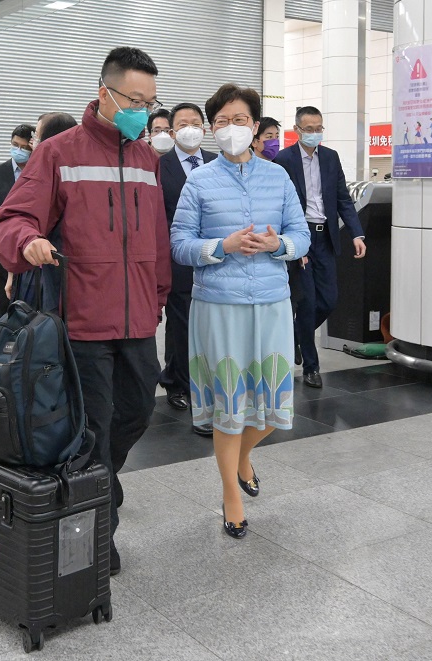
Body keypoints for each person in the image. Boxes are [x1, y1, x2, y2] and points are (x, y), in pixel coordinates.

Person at [0, 47, 171, 575]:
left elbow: (157, 240)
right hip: (82, 319)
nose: (143, 110)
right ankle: (96, 540)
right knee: (92, 423)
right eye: (134, 100)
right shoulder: (57, 153)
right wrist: (26, 242)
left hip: (138, 317)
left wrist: (158, 296)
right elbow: (12, 219)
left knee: (137, 410)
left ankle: (101, 482)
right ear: (104, 94)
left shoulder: (146, 159)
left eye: (150, 101)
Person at [171, 84, 310, 538]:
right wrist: (220, 246)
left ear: (256, 127)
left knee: (272, 410)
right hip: (220, 306)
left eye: (242, 120)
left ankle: (244, 456)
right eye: (224, 121)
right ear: (213, 128)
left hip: (271, 301)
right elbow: (178, 245)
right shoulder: (198, 181)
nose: (233, 128)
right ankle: (231, 494)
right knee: (230, 407)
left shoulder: (279, 177)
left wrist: (279, 245)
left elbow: (301, 234)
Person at [273, 106, 367, 388]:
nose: (315, 134)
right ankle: (311, 368)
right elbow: (279, 206)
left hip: (325, 236)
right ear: (297, 130)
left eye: (319, 128)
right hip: (300, 237)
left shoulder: (330, 157)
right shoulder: (283, 159)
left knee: (329, 300)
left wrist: (357, 233)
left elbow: (342, 199)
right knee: (308, 301)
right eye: (309, 129)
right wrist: (292, 245)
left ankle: (296, 335)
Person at [157, 102, 216, 423]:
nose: (190, 128)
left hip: (214, 255)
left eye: (195, 123)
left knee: (209, 322)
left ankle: (206, 380)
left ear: (204, 129)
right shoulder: (159, 165)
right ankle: (176, 382)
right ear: (172, 130)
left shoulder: (215, 162)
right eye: (183, 124)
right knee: (180, 322)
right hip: (177, 257)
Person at [6, 112, 78, 312]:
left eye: (36, 136)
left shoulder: (64, 179)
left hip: (56, 272)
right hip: (33, 267)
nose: (32, 143)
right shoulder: (37, 173)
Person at [254, 116, 305, 363]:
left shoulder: (281, 171)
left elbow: (294, 219)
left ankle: (291, 342)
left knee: (295, 301)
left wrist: (290, 244)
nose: (274, 142)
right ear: (255, 140)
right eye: (268, 137)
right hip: (252, 261)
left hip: (281, 254)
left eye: (277, 136)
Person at [0, 124, 34, 319]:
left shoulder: (39, 171)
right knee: (3, 300)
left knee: (29, 302)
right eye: (14, 145)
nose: (18, 150)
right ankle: (4, 341)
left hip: (30, 247)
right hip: (1, 247)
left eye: (23, 147)